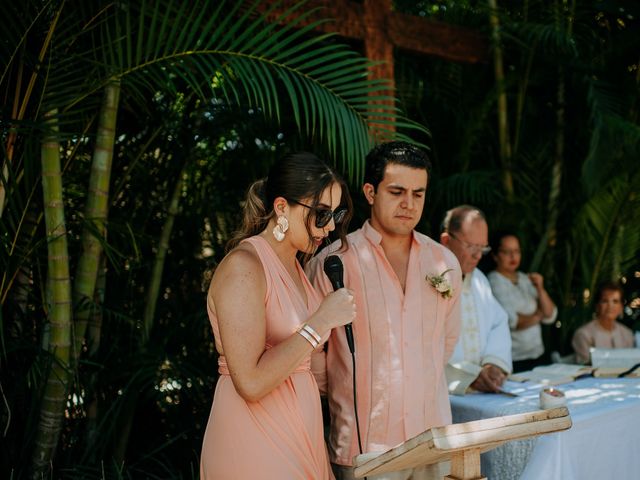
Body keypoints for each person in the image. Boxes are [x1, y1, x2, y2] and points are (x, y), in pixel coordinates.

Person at [306, 141, 462, 480]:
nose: (408, 204)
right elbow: (313, 357)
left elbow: (446, 343)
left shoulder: (444, 262)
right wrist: (348, 392)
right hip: (365, 448)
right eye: (397, 191)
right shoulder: (334, 264)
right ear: (370, 192)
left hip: (434, 441)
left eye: (418, 194)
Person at [200, 153, 357, 479]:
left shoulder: (299, 269)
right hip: (255, 437)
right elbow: (251, 382)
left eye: (335, 214)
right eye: (321, 214)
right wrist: (321, 322)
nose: (329, 227)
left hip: (303, 436)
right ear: (282, 207)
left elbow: (305, 367)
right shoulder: (245, 267)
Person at [439, 206, 512, 395]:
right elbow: (420, 342)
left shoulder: (479, 280)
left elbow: (498, 322)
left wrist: (493, 364)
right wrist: (469, 375)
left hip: (481, 392)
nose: (478, 255)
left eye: (483, 247)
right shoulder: (429, 278)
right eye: (471, 246)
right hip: (442, 394)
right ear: (446, 241)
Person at [487, 231, 557, 373]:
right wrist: (538, 315)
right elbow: (514, 322)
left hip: (538, 355)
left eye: (516, 251)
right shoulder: (494, 281)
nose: (513, 256)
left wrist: (540, 289)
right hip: (514, 359)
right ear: (495, 255)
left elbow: (550, 315)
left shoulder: (526, 279)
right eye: (507, 252)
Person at [572, 281, 635, 364]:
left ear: (621, 307)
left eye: (615, 301)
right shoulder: (583, 335)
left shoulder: (627, 334)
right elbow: (585, 367)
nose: (610, 306)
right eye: (605, 301)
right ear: (597, 306)